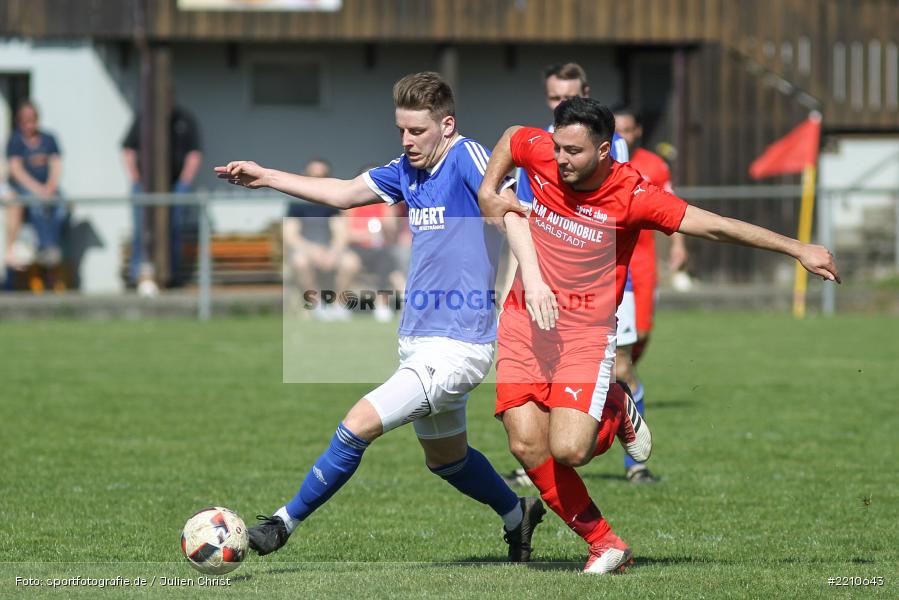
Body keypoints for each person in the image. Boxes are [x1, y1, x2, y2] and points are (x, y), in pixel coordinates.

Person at [478, 97, 839, 574]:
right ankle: (604, 543)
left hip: (585, 330)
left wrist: (796, 248)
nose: (560, 159)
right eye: (558, 148)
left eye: (574, 152)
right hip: (526, 319)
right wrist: (488, 190)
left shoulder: (633, 194)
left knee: (569, 450)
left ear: (605, 150)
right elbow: (510, 137)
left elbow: (716, 226)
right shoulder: (542, 149)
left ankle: (614, 404)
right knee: (525, 445)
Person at [215, 72, 545, 562]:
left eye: (417, 131)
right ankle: (517, 515)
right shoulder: (407, 170)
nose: (407, 141)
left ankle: (281, 525)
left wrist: (532, 280)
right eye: (401, 131)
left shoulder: (469, 158)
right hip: (417, 339)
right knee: (446, 460)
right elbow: (345, 193)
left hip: (459, 346)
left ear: (447, 125)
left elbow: (512, 211)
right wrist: (266, 177)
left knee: (356, 425)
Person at [500, 62, 628, 489]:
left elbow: (617, 211)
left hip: (596, 285)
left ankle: (615, 411)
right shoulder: (546, 145)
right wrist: (516, 283)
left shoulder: (612, 148)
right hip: (541, 278)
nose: (559, 105)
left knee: (617, 364)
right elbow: (521, 215)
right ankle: (546, 445)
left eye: (567, 98)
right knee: (540, 390)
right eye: (553, 99)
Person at [610, 105, 689, 483]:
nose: (622, 135)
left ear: (637, 130)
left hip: (638, 267)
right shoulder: (577, 159)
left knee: (632, 351)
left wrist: (677, 246)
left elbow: (674, 210)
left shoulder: (654, 166)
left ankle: (633, 458)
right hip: (596, 273)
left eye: (627, 129)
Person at [122, 100, 203, 295]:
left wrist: (184, 184)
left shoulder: (184, 120)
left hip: (174, 186)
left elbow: (194, 153)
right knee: (141, 229)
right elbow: (128, 149)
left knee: (173, 228)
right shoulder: (143, 119)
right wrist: (136, 180)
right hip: (145, 187)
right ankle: (138, 276)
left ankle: (170, 276)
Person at [283, 159, 358, 320]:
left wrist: (332, 253)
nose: (316, 179)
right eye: (312, 175)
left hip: (329, 250)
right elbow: (291, 236)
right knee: (300, 262)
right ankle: (316, 306)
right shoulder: (296, 205)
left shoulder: (335, 204)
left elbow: (341, 234)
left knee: (351, 262)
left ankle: (339, 306)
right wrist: (312, 251)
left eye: (321, 176)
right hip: (305, 250)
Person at [6, 101, 66, 269]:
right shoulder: (16, 140)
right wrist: (38, 189)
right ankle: (46, 247)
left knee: (60, 207)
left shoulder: (48, 139)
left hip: (48, 188)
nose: (29, 124)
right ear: (19, 121)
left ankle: (49, 247)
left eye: (32, 119)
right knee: (36, 206)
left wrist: (50, 185)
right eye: (25, 120)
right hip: (26, 190)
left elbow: (56, 164)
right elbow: (16, 170)